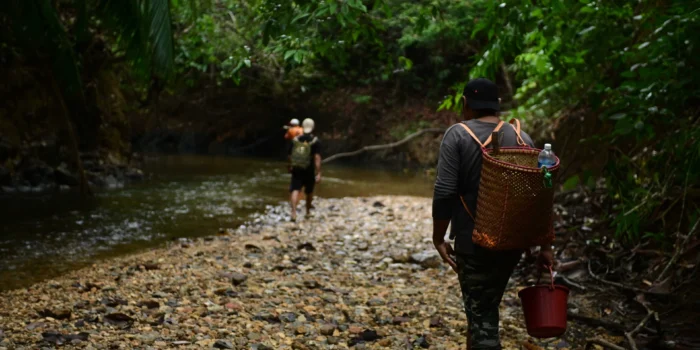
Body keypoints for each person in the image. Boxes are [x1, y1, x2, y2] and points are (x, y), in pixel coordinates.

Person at [431, 78, 554, 349]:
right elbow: (540, 197)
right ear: (498, 105)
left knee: (483, 318)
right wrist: (545, 245)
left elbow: (445, 190)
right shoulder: (523, 137)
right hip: (512, 243)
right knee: (483, 309)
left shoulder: (458, 134)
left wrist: (438, 237)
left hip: (474, 243)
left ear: (465, 104)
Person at [288, 118, 322, 221]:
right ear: (313, 127)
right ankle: (307, 212)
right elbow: (317, 158)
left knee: (295, 189)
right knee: (309, 191)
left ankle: (293, 213)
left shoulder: (295, 140)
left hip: (297, 167)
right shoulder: (315, 141)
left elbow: (289, 155)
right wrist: (319, 172)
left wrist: (290, 166)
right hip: (309, 169)